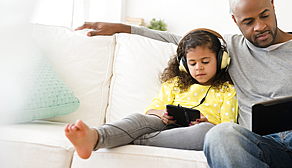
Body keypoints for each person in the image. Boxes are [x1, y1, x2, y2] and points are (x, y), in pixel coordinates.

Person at [76, 0, 292, 168]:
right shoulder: (230, 49)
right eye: (248, 21)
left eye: (265, 15)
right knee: (221, 134)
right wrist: (122, 28)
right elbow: (181, 41)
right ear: (235, 21)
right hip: (261, 142)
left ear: (273, 6)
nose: (260, 27)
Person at [65, 28, 238, 159]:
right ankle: (95, 136)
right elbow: (151, 110)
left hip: (195, 132)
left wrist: (208, 122)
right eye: (192, 63)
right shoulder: (176, 84)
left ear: (221, 60)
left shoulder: (227, 90)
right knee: (140, 119)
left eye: (205, 61)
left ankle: (134, 140)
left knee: (206, 131)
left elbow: (228, 129)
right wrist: (161, 114)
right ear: (184, 65)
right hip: (165, 125)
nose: (198, 67)